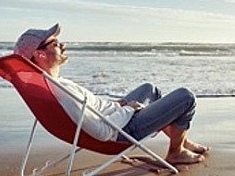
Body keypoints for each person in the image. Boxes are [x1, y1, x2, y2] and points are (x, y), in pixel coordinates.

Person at [13, 23, 209, 165]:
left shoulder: (51, 85)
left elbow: (91, 112)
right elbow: (102, 132)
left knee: (149, 89)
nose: (62, 45)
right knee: (186, 97)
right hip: (123, 130)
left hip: (114, 116)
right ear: (40, 55)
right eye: (55, 43)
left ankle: (181, 139)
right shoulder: (62, 92)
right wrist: (128, 110)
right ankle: (176, 151)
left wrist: (116, 105)